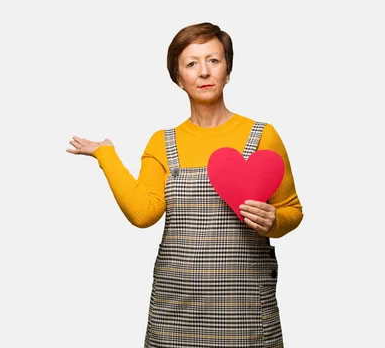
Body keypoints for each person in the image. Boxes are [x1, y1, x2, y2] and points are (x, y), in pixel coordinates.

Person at [66, 22, 303, 347]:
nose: (204, 72)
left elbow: (293, 210)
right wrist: (106, 155)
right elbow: (143, 214)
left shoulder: (263, 136)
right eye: (192, 63)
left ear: (228, 71)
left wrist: (275, 220)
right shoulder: (162, 142)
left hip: (245, 307)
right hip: (176, 307)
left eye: (214, 60)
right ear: (178, 79)